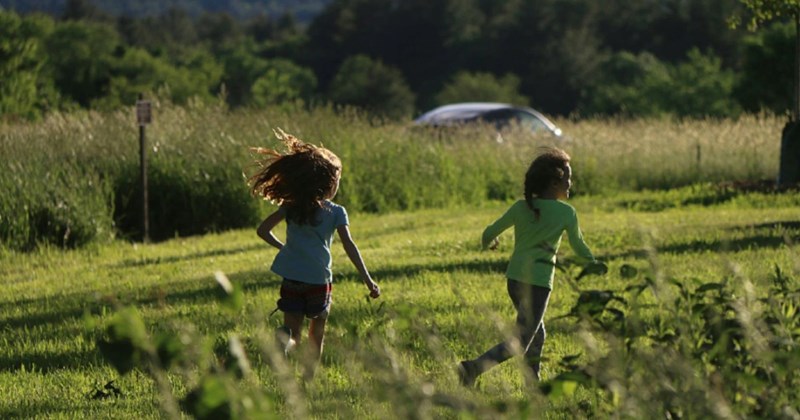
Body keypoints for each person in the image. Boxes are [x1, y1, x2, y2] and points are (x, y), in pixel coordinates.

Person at [458, 147, 605, 387]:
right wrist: (593, 264)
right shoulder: (567, 213)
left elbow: (489, 233)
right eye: (568, 178)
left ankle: (533, 386)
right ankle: (472, 368)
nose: (571, 183)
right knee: (523, 339)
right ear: (554, 182)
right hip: (538, 284)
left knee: (537, 333)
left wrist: (490, 242)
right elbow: (579, 245)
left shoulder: (521, 207)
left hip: (515, 280)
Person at [248, 129, 380, 379]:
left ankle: (284, 342)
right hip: (319, 280)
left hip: (291, 277)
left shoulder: (291, 207)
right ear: (329, 184)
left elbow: (262, 230)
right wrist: (368, 279)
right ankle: (308, 379)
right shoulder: (336, 212)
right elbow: (349, 245)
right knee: (316, 333)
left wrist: (284, 248)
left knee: (293, 332)